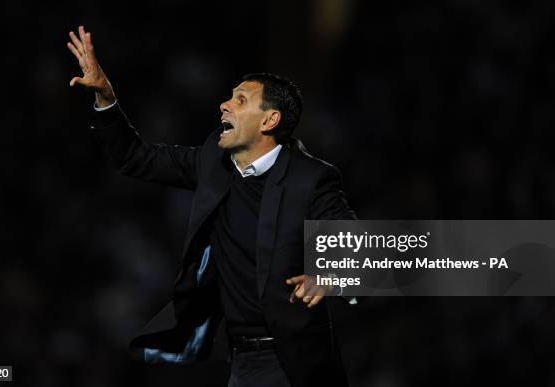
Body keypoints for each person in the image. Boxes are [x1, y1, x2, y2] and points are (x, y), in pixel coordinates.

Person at [67, 25, 358, 387]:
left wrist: (330, 276)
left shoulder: (311, 178)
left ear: (270, 120)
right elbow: (135, 157)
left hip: (295, 363)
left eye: (240, 100)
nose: (224, 104)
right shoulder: (213, 163)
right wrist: (105, 97)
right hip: (238, 357)